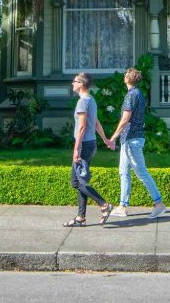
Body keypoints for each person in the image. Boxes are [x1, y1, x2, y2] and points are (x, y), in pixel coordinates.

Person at [108, 68, 166, 220]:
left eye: (125, 74)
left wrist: (113, 137)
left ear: (128, 78)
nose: (124, 76)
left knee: (141, 173)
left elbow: (126, 118)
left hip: (131, 140)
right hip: (130, 139)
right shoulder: (137, 93)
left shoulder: (131, 95)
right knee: (123, 172)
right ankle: (122, 206)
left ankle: (159, 204)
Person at [64, 72, 114, 227]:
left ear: (81, 84)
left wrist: (76, 149)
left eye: (75, 81)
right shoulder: (91, 100)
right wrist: (105, 139)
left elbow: (82, 126)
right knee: (81, 181)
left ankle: (103, 204)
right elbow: (96, 122)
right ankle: (81, 217)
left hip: (84, 145)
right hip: (91, 143)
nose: (72, 83)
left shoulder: (82, 102)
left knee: (75, 182)